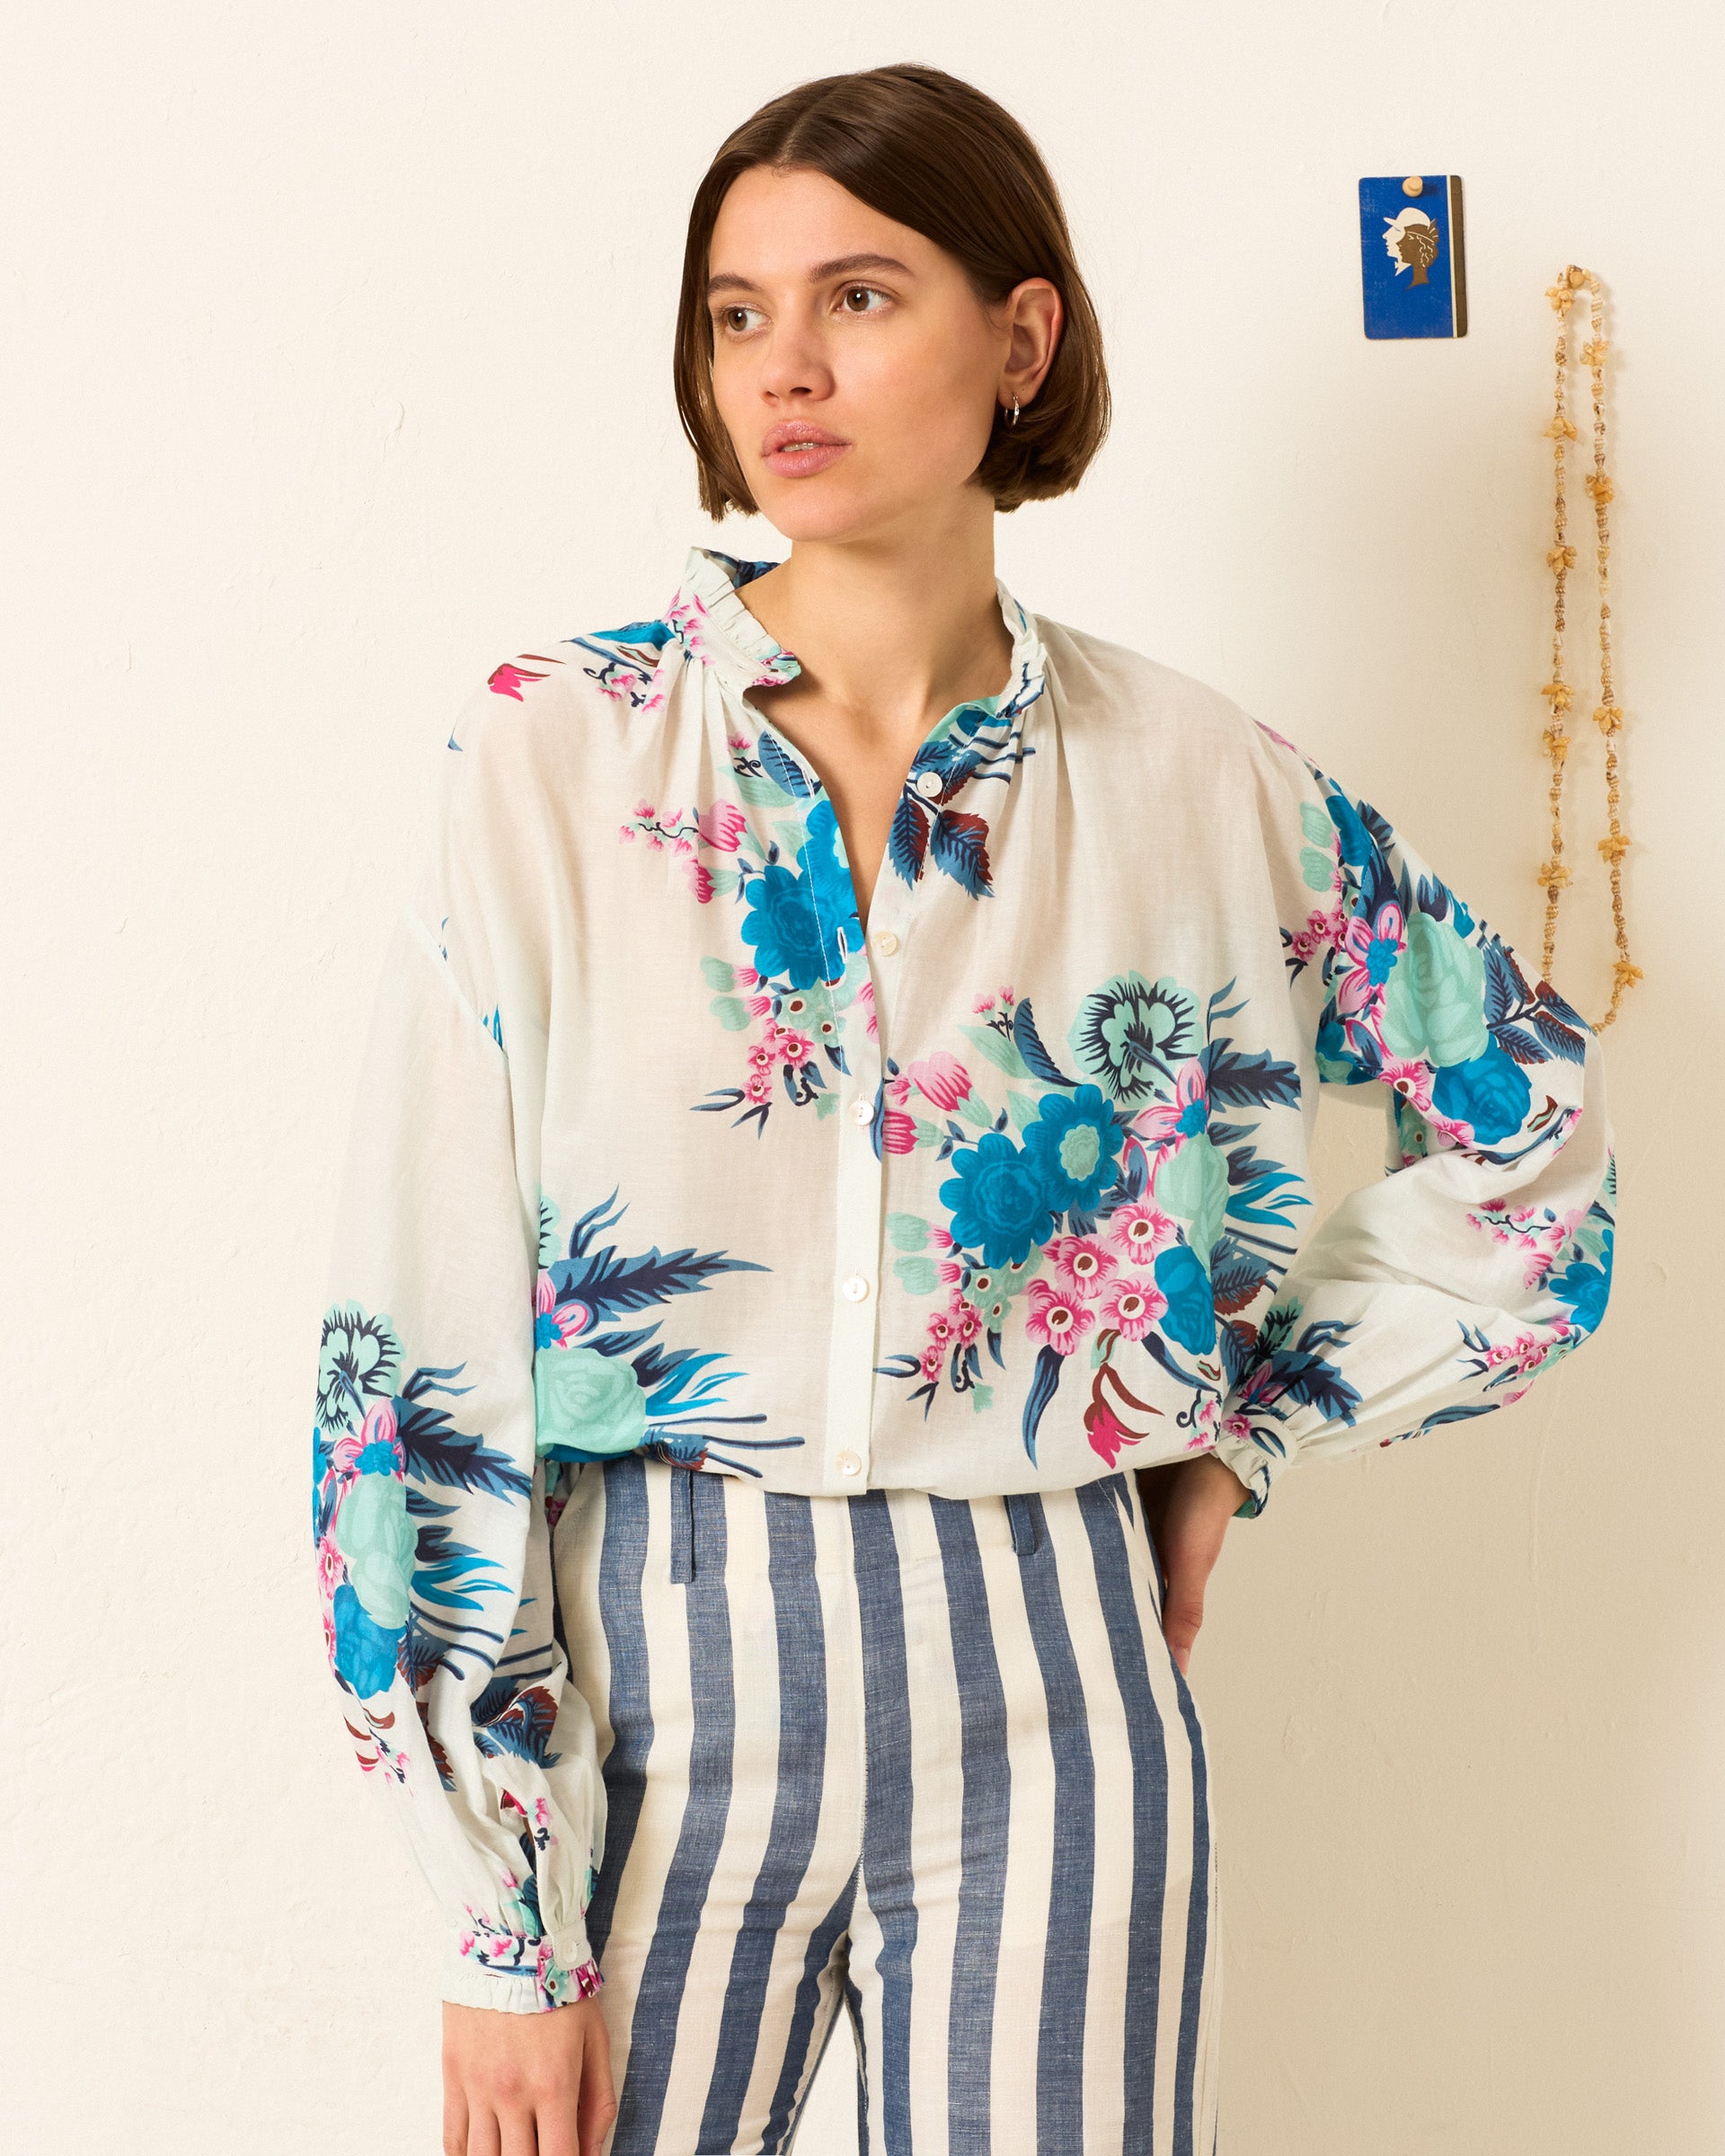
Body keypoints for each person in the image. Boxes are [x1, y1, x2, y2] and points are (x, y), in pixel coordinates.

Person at [310, 61, 1617, 2156]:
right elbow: (417, 1338)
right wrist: (499, 1929)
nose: (784, 367)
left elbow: (1536, 1149)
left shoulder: (1204, 785)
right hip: (656, 1673)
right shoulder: (551, 760)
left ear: (1022, 339)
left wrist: (1237, 1430)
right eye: (738, 313)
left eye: (858, 294)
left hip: (1058, 1676)